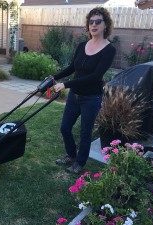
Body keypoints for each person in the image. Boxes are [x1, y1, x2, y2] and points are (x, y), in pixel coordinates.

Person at [53, 7, 116, 174]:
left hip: (91, 98)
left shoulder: (109, 50)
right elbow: (72, 67)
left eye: (98, 21)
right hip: (75, 96)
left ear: (105, 25)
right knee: (65, 128)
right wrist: (54, 77)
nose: (94, 25)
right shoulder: (82, 45)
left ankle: (79, 163)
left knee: (85, 133)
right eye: (91, 22)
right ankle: (71, 154)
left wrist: (66, 85)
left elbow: (96, 76)